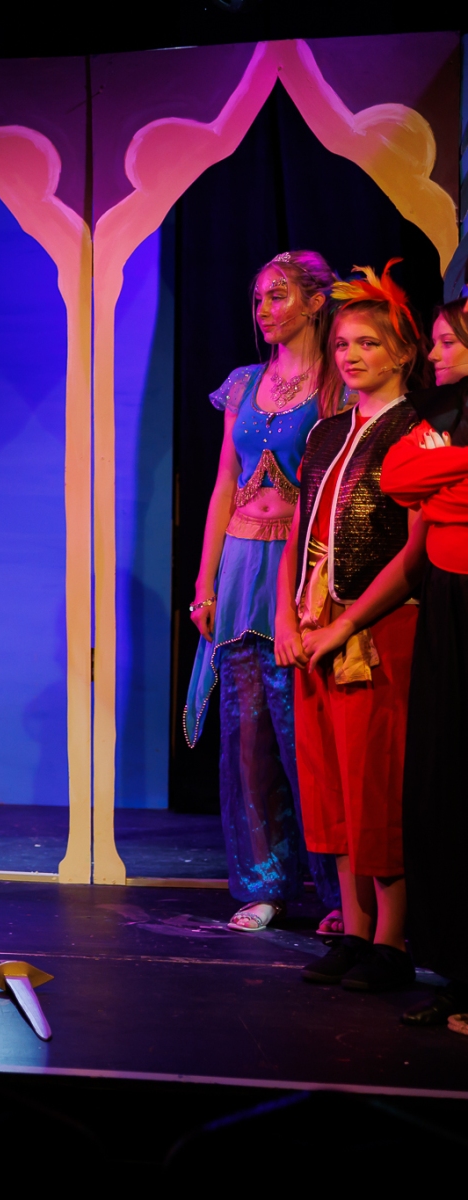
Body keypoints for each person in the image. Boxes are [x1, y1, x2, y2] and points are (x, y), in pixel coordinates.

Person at [183, 251, 343, 933]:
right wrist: (204, 579)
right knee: (246, 737)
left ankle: (340, 894)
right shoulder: (244, 383)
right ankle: (262, 883)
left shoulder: (336, 382)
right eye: (258, 299)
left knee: (306, 733)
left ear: (315, 301)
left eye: (278, 296)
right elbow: (225, 480)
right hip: (241, 564)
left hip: (300, 567)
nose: (265, 310)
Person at [282, 262, 430, 992]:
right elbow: (297, 531)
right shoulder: (326, 432)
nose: (350, 355)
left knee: (377, 782)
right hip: (315, 624)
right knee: (329, 785)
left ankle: (393, 939)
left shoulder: (417, 432)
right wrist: (287, 618)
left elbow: (414, 553)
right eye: (342, 343)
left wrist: (347, 627)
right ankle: (354, 926)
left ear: (402, 351)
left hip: (377, 629)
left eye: (367, 342)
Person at [379, 295, 468, 1025]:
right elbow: (399, 477)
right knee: (442, 781)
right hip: (447, 601)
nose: (434, 355)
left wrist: (448, 476)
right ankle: (458, 973)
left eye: (446, 342)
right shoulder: (437, 414)